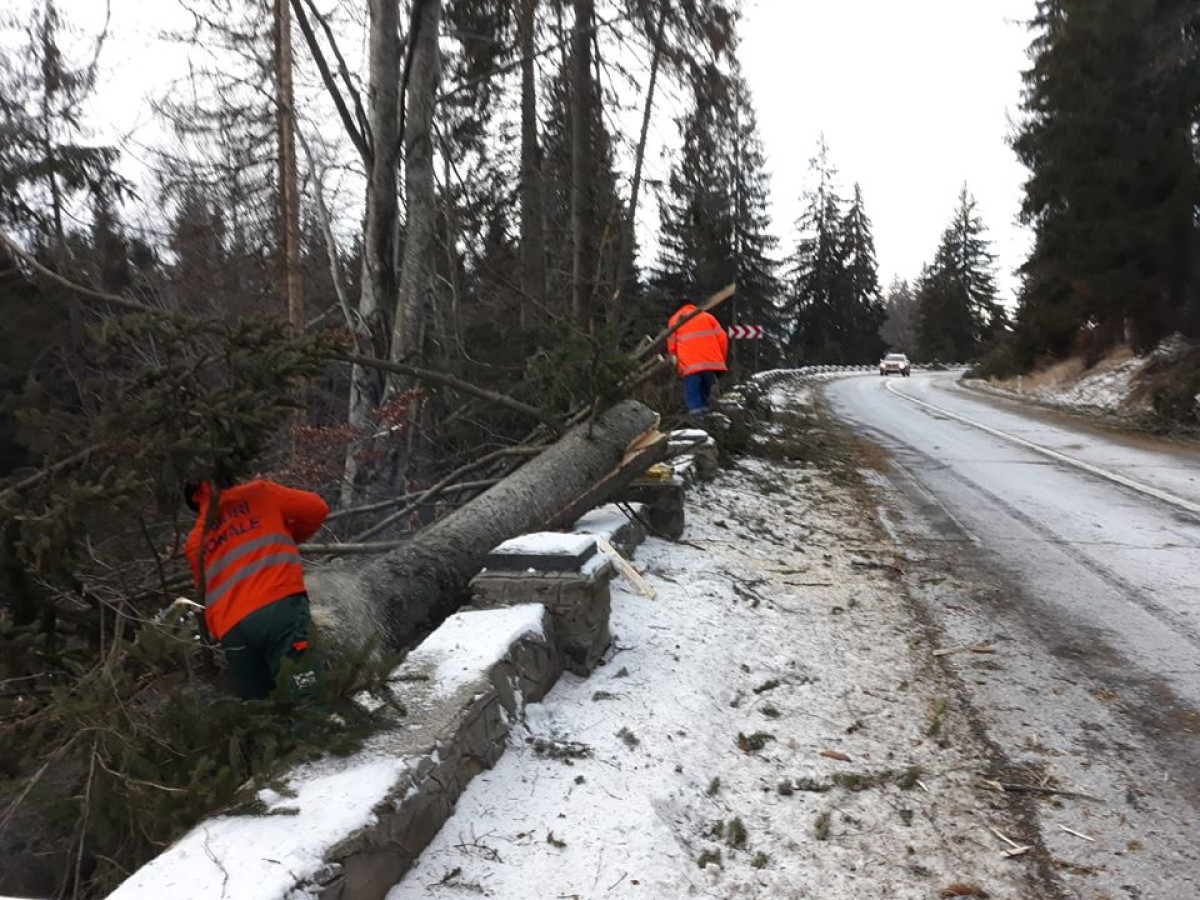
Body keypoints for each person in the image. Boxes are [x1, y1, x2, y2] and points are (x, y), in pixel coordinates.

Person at [183, 477, 329, 700]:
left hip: (234, 633)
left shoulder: (195, 541)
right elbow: (316, 509)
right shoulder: (260, 494)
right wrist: (286, 538)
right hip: (278, 609)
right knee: (307, 699)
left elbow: (204, 593)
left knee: (261, 716)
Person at [666, 301, 729, 417]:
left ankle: (698, 427)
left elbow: (672, 348)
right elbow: (723, 339)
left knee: (694, 401)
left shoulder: (675, 319)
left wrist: (678, 366)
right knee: (705, 398)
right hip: (711, 364)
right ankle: (708, 424)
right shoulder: (707, 317)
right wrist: (720, 361)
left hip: (690, 366)